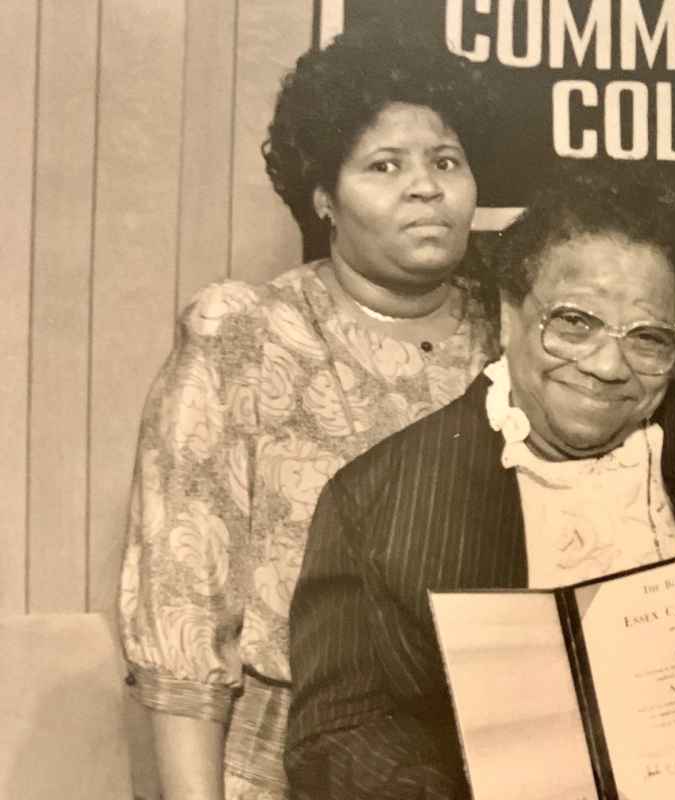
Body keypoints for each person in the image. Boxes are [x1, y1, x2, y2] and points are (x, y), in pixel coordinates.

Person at [283, 161, 675, 799]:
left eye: (649, 338)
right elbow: (336, 734)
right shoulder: (374, 502)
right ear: (510, 314)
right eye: (575, 323)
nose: (607, 366)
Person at [117, 28, 498, 800]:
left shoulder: (518, 338)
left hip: (489, 757)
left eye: (445, 161)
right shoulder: (247, 335)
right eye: (384, 165)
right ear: (323, 196)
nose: (425, 187)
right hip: (283, 767)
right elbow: (183, 601)